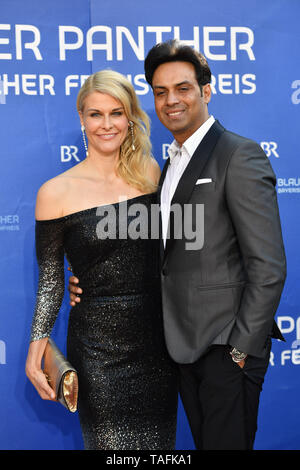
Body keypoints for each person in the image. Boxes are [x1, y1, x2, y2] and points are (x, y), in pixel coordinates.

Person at [68, 41, 287, 450]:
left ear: (206, 91)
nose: (171, 100)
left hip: (226, 347)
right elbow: (164, 249)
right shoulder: (169, 163)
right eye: (161, 91)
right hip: (182, 346)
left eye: (183, 88)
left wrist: (240, 348)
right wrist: (91, 278)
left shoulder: (238, 154)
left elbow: (268, 266)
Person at [25, 69, 178, 450]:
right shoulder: (54, 193)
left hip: (157, 341)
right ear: (81, 118)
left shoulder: (150, 174)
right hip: (97, 349)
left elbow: (163, 252)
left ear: (129, 118)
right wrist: (36, 350)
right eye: (96, 114)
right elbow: (50, 279)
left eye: (116, 113)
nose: (106, 124)